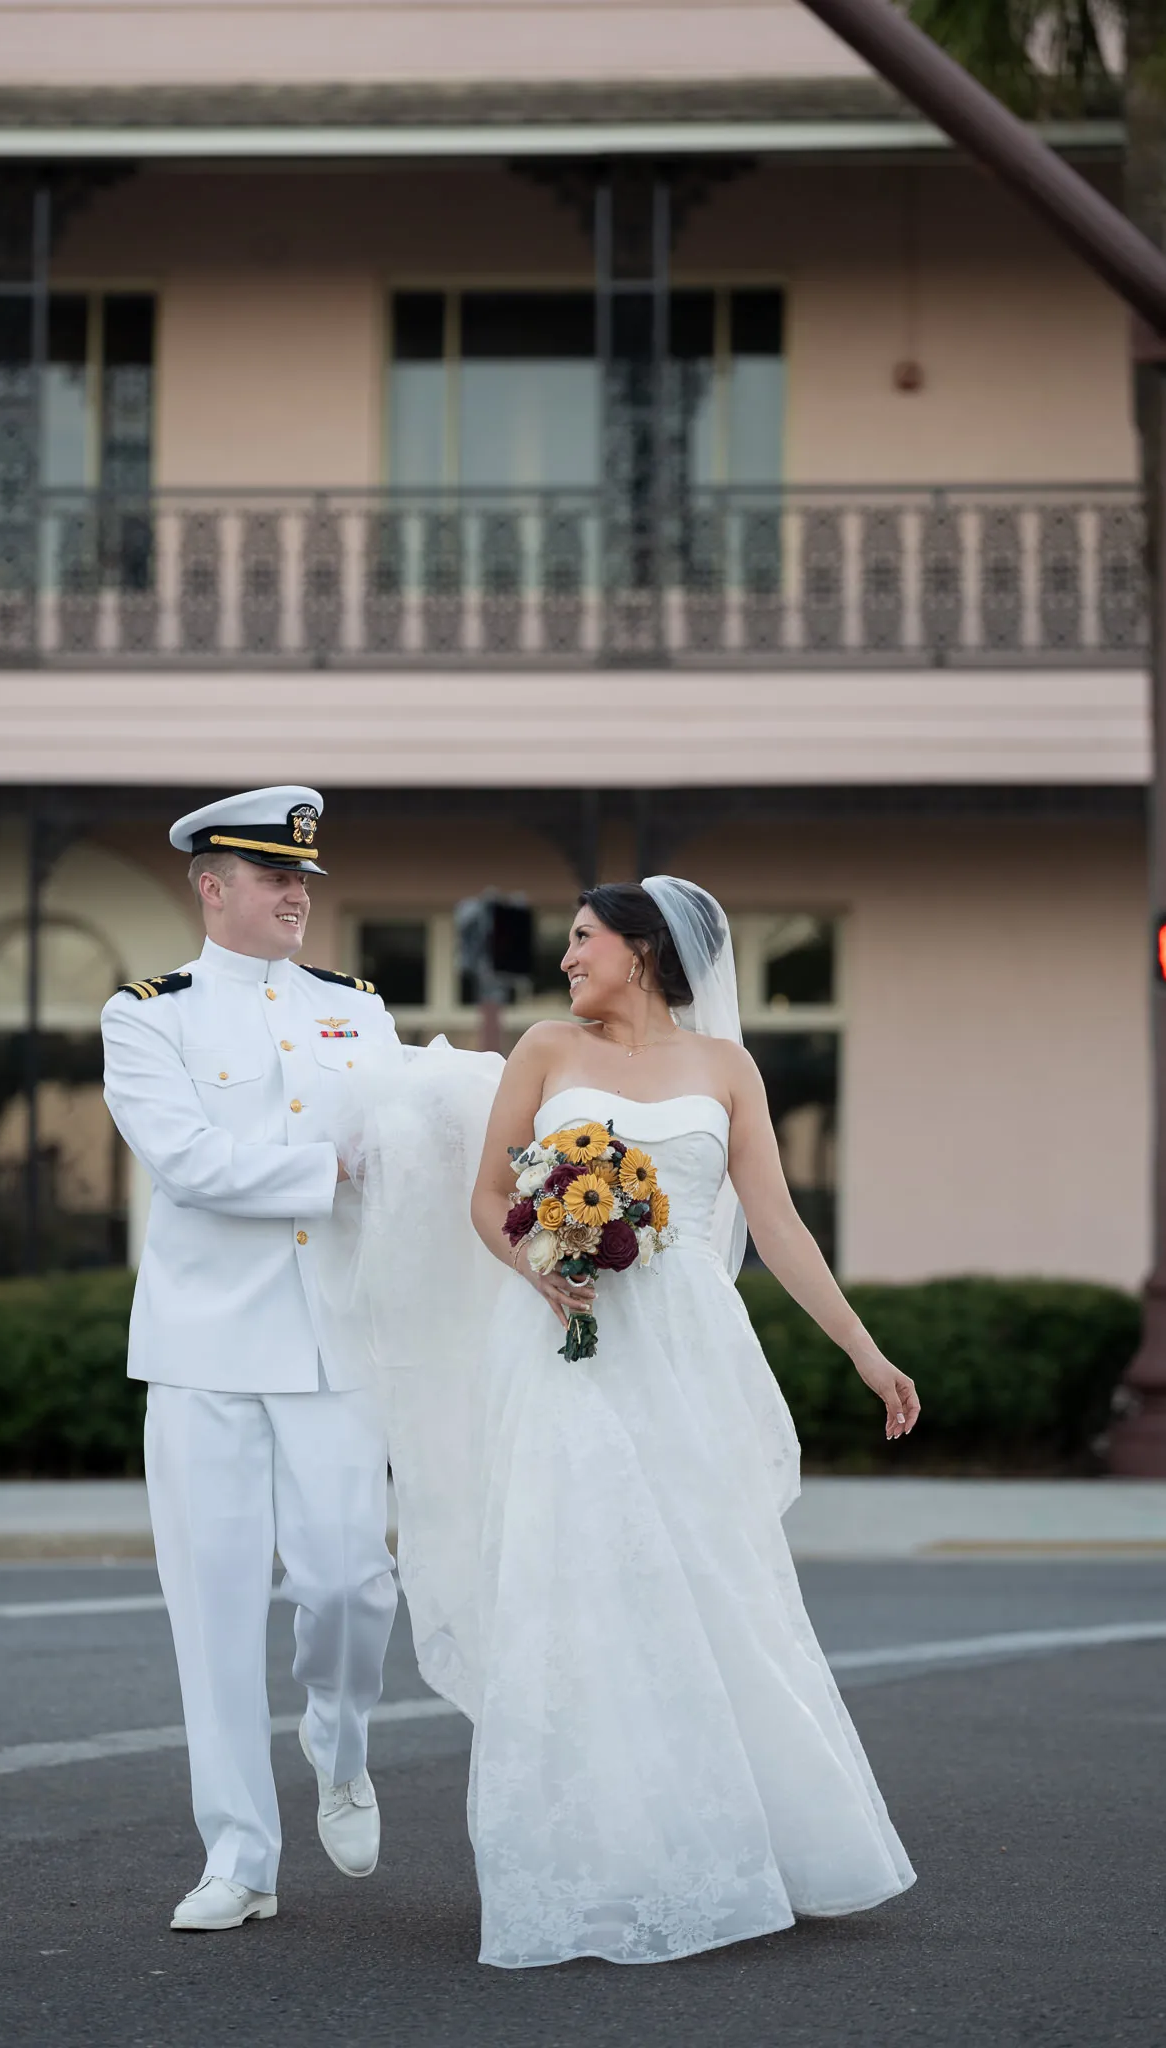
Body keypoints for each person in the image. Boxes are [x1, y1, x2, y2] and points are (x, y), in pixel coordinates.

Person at [343, 877, 918, 1969]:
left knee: (711, 1581)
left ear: (643, 950)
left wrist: (862, 1347)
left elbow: (779, 1223)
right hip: (568, 1346)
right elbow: (482, 1198)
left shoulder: (726, 1068)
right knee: (578, 1584)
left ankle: (749, 1841)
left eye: (582, 940)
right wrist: (538, 1260)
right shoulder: (545, 1052)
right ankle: (594, 1860)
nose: (566, 959)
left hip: (688, 1352)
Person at [100, 785, 400, 1934]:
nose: (295, 894)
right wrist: (332, 1165)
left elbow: (402, 1137)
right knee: (213, 1607)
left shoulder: (356, 1007)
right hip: (204, 1347)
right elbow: (186, 1164)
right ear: (211, 886)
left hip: (336, 1334)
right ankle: (240, 1851)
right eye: (273, 876)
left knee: (350, 1581)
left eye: (304, 878)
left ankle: (340, 1729)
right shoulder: (148, 1015)